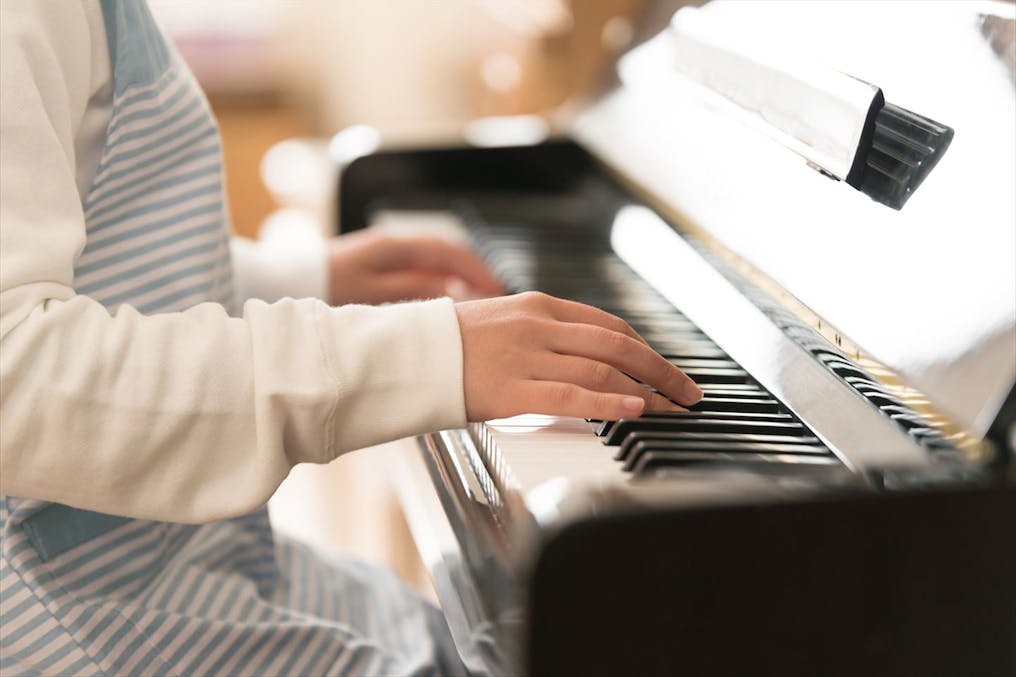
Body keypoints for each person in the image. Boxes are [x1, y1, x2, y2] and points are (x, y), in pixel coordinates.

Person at [0, 1, 702, 674]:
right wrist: (423, 356)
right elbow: (19, 383)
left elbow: (93, 251)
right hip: (82, 618)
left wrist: (297, 278)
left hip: (157, 562)